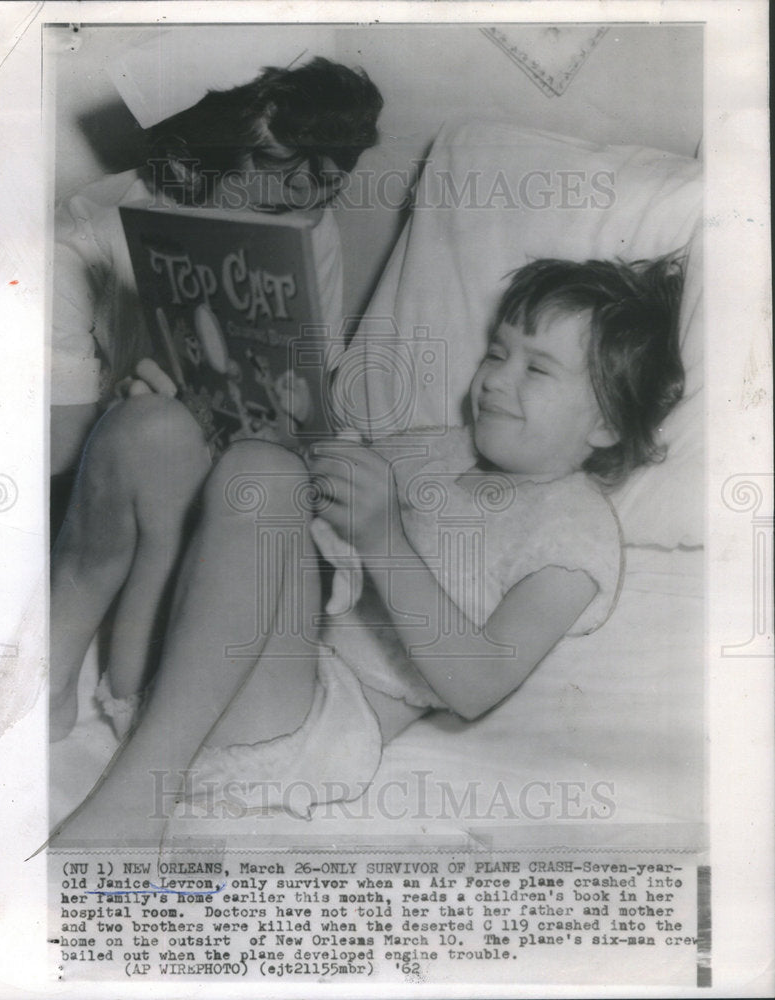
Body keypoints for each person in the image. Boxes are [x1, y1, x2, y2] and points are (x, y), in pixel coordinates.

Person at [49, 253, 685, 845]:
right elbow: (292, 511)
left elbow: (479, 685)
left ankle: (135, 803)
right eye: (496, 354)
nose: (493, 380)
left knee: (260, 477)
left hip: (297, 727)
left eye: (536, 368)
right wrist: (237, 418)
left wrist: (382, 537)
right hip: (175, 679)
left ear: (607, 422)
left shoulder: (574, 535)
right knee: (151, 427)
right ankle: (44, 682)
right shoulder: (441, 446)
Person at [50, 56, 384, 479]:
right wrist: (119, 429)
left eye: (323, 203)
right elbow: (55, 465)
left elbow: (313, 390)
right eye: (271, 210)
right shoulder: (74, 247)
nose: (306, 227)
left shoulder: (304, 214)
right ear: (183, 167)